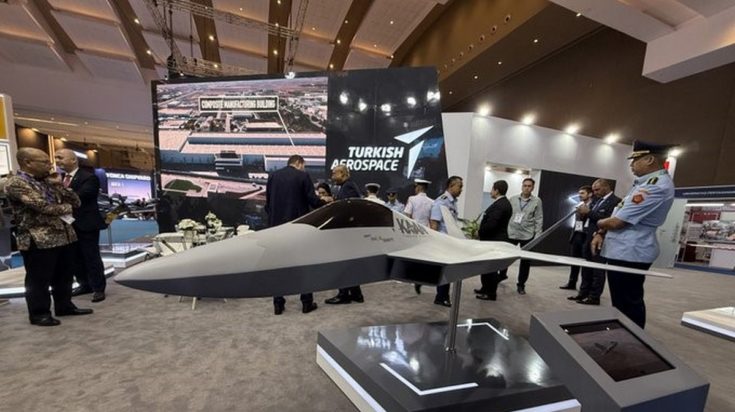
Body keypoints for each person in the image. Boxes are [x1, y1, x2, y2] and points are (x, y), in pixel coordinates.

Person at [4, 148, 93, 326]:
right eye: (44, 162)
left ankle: (64, 306)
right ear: (28, 163)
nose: (50, 165)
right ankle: (39, 313)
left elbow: (76, 201)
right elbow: (42, 206)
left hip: (64, 235)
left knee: (64, 275)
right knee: (39, 279)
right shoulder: (16, 183)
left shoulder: (48, 181)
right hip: (38, 239)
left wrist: (59, 186)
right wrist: (67, 208)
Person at [592, 141, 675, 329]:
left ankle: (632, 338)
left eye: (635, 160)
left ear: (650, 159)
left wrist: (598, 222)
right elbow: (619, 214)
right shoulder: (644, 183)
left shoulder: (655, 186)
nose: (631, 165)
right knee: (620, 301)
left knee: (629, 302)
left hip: (631, 251)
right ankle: (621, 334)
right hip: (623, 249)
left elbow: (618, 221)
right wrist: (601, 231)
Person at [265, 155, 328, 315]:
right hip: (298, 228)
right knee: (303, 265)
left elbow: (268, 204)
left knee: (277, 267)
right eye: (304, 165)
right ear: (299, 163)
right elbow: (312, 200)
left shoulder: (273, 176)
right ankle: (306, 303)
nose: (304, 168)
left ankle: (278, 304)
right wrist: (326, 201)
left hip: (276, 229)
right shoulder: (303, 176)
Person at [54, 149, 108, 303]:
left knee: (91, 257)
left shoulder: (89, 178)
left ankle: (98, 288)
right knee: (74, 258)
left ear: (73, 160)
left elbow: (80, 197)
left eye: (60, 157)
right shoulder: (60, 178)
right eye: (56, 158)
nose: (57, 161)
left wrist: (59, 191)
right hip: (67, 225)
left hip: (86, 224)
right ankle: (84, 284)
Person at [569, 179, 620, 305]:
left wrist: (589, 212)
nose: (595, 192)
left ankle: (594, 296)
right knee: (586, 268)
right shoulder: (597, 201)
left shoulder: (616, 202)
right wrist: (583, 213)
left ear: (606, 187)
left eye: (597, 189)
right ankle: (583, 293)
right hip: (587, 237)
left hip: (600, 239)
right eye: (594, 190)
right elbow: (590, 217)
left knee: (597, 270)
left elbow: (609, 220)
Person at [324, 165, 364, 305]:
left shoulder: (348, 187)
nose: (332, 176)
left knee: (342, 263)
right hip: (349, 232)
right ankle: (356, 294)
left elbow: (346, 209)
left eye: (334, 173)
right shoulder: (347, 186)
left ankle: (343, 295)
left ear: (342, 174)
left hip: (346, 232)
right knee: (348, 264)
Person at [475, 180, 513, 301]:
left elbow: (492, 224)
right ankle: (485, 288)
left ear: (497, 190)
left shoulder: (501, 205)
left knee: (490, 268)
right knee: (486, 267)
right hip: (493, 239)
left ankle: (490, 293)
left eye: (492, 189)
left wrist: (479, 232)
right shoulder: (502, 203)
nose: (491, 191)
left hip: (494, 240)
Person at [429, 176, 464, 307]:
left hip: (449, 241)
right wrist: (435, 244)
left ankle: (443, 296)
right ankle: (441, 297)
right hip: (442, 242)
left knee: (448, 270)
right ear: (451, 186)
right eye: (459, 186)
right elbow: (434, 223)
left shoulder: (452, 202)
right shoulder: (441, 202)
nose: (461, 189)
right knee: (445, 270)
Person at [507, 178, 543, 295]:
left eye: (529, 186)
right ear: (522, 186)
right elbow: (507, 214)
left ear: (533, 188)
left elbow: (539, 218)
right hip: (511, 232)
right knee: (505, 257)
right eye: (525, 185)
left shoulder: (537, 201)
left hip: (527, 234)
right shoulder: (513, 199)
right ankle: (502, 275)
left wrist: (537, 235)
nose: (526, 188)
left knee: (525, 262)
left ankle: (521, 285)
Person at [560, 185, 593, 290]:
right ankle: (572, 282)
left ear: (590, 194)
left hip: (586, 236)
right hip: (577, 235)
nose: (580, 195)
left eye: (582, 193)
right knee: (574, 261)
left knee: (585, 263)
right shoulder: (579, 205)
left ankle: (585, 287)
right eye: (579, 193)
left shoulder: (593, 206)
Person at [404, 179, 434, 295]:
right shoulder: (432, 202)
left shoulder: (412, 199)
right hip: (426, 232)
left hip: (413, 231)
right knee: (423, 258)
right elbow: (431, 219)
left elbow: (407, 215)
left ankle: (412, 277)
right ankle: (421, 278)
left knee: (412, 256)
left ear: (418, 188)